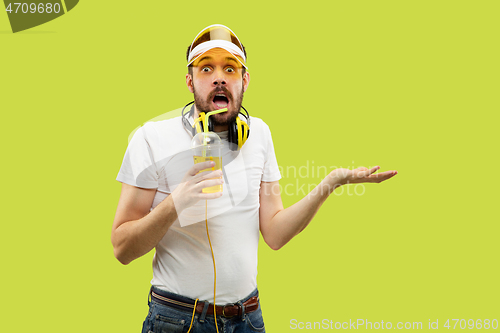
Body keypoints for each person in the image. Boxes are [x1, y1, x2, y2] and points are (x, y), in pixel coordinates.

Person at [112, 24, 398, 333]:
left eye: (230, 69)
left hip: (248, 318)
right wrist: (176, 202)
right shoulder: (150, 139)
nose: (219, 77)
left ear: (244, 80)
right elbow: (122, 248)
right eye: (206, 68)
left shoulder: (259, 134)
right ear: (189, 81)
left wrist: (330, 183)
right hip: (178, 319)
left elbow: (274, 233)